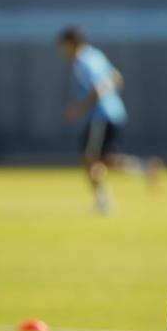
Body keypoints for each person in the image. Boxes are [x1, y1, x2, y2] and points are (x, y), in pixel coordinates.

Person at [58, 27, 160, 213]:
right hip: (113, 112)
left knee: (89, 158)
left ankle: (104, 202)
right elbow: (116, 77)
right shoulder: (96, 55)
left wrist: (77, 108)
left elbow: (98, 89)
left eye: (63, 46)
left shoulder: (82, 62)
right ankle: (144, 168)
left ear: (71, 43)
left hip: (101, 116)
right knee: (107, 159)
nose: (63, 51)